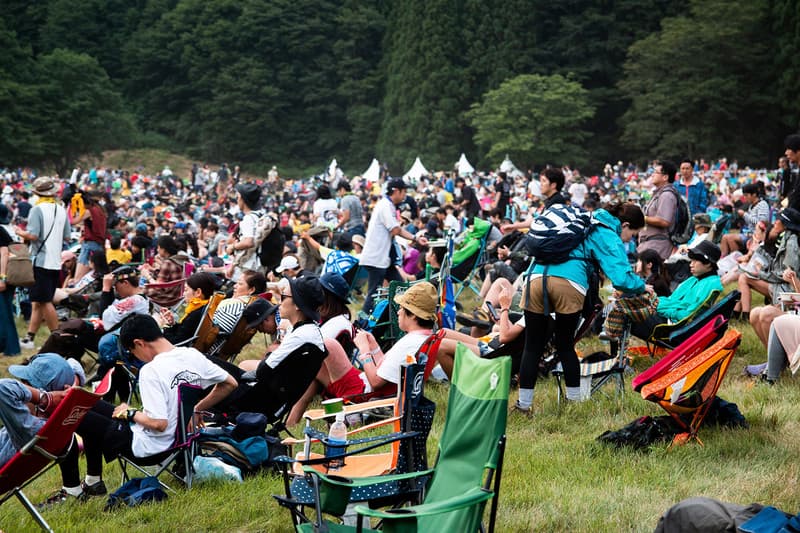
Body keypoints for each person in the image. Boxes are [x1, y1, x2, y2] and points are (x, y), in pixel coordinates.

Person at [54, 314, 237, 505]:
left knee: (74, 413)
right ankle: (93, 481)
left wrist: (131, 413)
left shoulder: (152, 371)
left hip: (148, 448)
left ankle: (72, 490)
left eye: (132, 351)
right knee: (86, 404)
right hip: (177, 442)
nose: (134, 357)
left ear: (139, 343)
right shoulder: (192, 355)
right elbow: (230, 383)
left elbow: (158, 423)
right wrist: (198, 408)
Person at [517, 203, 647, 411]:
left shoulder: (581, 219)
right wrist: (642, 286)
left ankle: (523, 405)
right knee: (565, 344)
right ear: (625, 225)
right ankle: (574, 403)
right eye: (633, 234)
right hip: (568, 281)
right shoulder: (604, 230)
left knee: (532, 345)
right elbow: (621, 278)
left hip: (534, 277)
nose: (630, 240)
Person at [287, 281, 438, 426]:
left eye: (402, 308)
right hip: (371, 389)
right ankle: (291, 421)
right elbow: (386, 371)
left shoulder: (409, 342)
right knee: (317, 367)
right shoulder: (420, 339)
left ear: (412, 315)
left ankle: (290, 418)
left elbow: (376, 382)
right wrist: (373, 346)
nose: (398, 312)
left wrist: (364, 351)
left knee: (328, 345)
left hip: (363, 394)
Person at [224, 276, 325, 418]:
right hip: (267, 396)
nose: (279, 303)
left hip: (253, 399)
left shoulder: (300, 336)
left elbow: (262, 370)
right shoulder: (307, 331)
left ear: (298, 305)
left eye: (283, 297)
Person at [601, 240, 723, 342]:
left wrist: (656, 305)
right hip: (665, 316)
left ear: (708, 264)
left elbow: (686, 316)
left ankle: (608, 332)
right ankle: (608, 329)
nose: (691, 264)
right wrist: (654, 302)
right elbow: (671, 300)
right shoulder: (694, 280)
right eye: (691, 260)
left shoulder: (711, 285)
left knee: (627, 307)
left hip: (670, 326)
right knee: (629, 298)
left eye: (696, 261)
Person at [17, 177, 72, 350]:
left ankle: (57, 337)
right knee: (38, 301)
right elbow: (67, 236)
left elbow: (33, 235)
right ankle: (29, 338)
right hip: (55, 261)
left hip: (40, 261)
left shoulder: (37, 209)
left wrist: (20, 232)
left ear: (36, 193)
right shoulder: (61, 209)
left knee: (45, 300)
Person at [359, 179, 427, 314]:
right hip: (376, 258)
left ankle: (404, 315)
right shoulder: (385, 205)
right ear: (396, 191)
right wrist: (415, 238)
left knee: (400, 287)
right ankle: (361, 324)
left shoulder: (388, 205)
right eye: (403, 192)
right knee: (374, 294)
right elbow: (395, 230)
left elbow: (396, 229)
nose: (405, 196)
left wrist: (415, 238)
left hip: (384, 259)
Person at [159, 272, 220, 345]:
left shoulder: (196, 314)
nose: (183, 294)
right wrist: (173, 323)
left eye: (186, 290)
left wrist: (165, 326)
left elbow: (176, 342)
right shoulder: (204, 307)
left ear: (198, 292)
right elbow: (184, 332)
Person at [637, 160, 678, 261]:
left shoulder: (667, 195)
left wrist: (641, 218)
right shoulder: (658, 193)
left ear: (665, 177)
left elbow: (664, 221)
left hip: (657, 246)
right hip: (650, 245)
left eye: (655, 172)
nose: (652, 175)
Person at [720, 182, 771, 257]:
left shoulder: (762, 205)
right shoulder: (751, 206)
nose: (745, 198)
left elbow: (761, 223)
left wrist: (745, 215)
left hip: (756, 236)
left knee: (730, 238)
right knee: (725, 238)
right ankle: (726, 259)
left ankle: (736, 259)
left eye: (746, 195)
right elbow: (750, 221)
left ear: (754, 194)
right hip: (748, 233)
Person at [211, 269, 267, 335]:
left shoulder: (232, 306)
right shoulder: (250, 308)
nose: (234, 286)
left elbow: (212, 333)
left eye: (240, 284)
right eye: (237, 283)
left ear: (251, 290)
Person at [71, 190, 108, 281]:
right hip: (98, 246)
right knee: (92, 279)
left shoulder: (90, 211)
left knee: (78, 279)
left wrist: (72, 207)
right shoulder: (100, 210)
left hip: (90, 246)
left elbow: (73, 221)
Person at [0, 204, 19, 355]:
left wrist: (2, 278)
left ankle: (10, 348)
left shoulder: (0, 231)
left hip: (3, 277)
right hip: (8, 277)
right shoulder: (6, 230)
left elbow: (4, 253)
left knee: (4, 313)